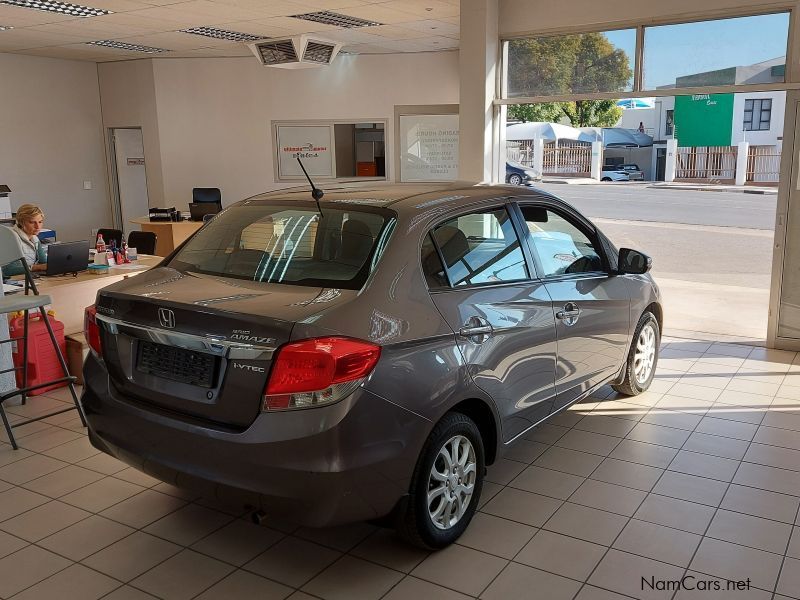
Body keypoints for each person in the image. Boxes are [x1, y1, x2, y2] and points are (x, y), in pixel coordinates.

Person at [3, 204, 48, 277]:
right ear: (21, 222)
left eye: (40, 222)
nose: (37, 226)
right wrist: (36, 267)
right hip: (13, 282)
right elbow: (8, 270)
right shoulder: (11, 238)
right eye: (32, 222)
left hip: (29, 278)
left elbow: (44, 262)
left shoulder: (34, 238)